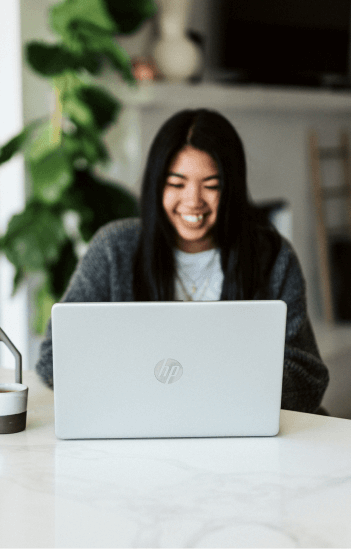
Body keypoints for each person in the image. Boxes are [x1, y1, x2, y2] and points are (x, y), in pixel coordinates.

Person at [35, 108, 329, 413]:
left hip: (237, 426)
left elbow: (308, 378)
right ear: (156, 185)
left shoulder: (273, 257)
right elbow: (54, 359)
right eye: (177, 184)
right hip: (141, 420)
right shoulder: (115, 249)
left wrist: (196, 383)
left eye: (212, 186)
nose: (193, 201)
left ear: (233, 188)